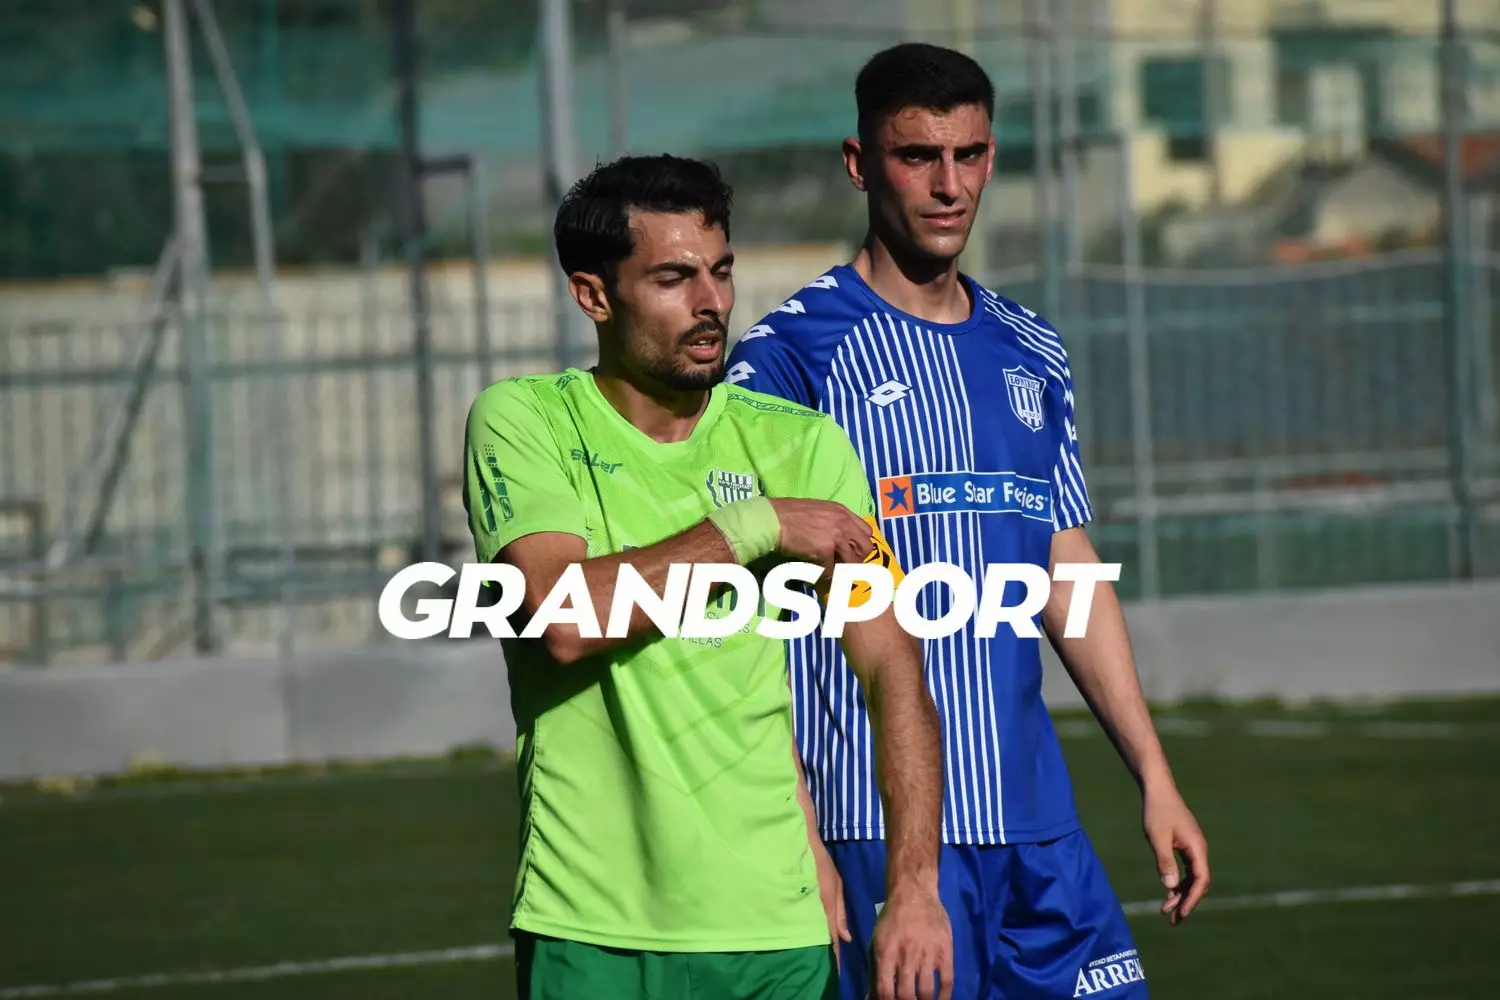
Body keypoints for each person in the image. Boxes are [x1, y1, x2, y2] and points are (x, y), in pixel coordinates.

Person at [724, 43, 1211, 1000]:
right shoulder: (789, 355)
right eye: (918, 157)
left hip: (1039, 826)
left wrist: (1154, 775)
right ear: (860, 163)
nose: (949, 186)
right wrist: (799, 836)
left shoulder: (1033, 346)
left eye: (970, 155)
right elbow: (745, 616)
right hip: (881, 831)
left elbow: (1064, 565)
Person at [461, 152, 954, 1000]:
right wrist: (757, 524)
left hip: (778, 934)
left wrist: (914, 885)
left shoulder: (803, 445)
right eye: (673, 278)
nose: (712, 303)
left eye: (721, 271)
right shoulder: (524, 421)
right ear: (593, 295)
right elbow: (564, 619)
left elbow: (893, 666)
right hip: (594, 931)